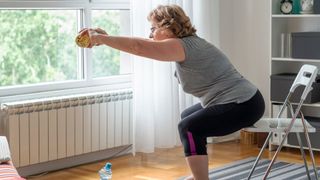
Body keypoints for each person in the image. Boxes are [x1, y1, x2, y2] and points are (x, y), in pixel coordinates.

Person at [83, 4, 265, 180]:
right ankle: (198, 173)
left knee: (188, 127)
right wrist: (108, 38)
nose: (150, 33)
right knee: (188, 116)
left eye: (153, 27)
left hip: (244, 104)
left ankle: (200, 178)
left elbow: (139, 47)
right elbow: (142, 43)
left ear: (168, 28)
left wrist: (102, 39)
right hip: (244, 100)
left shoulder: (182, 46)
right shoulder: (187, 43)